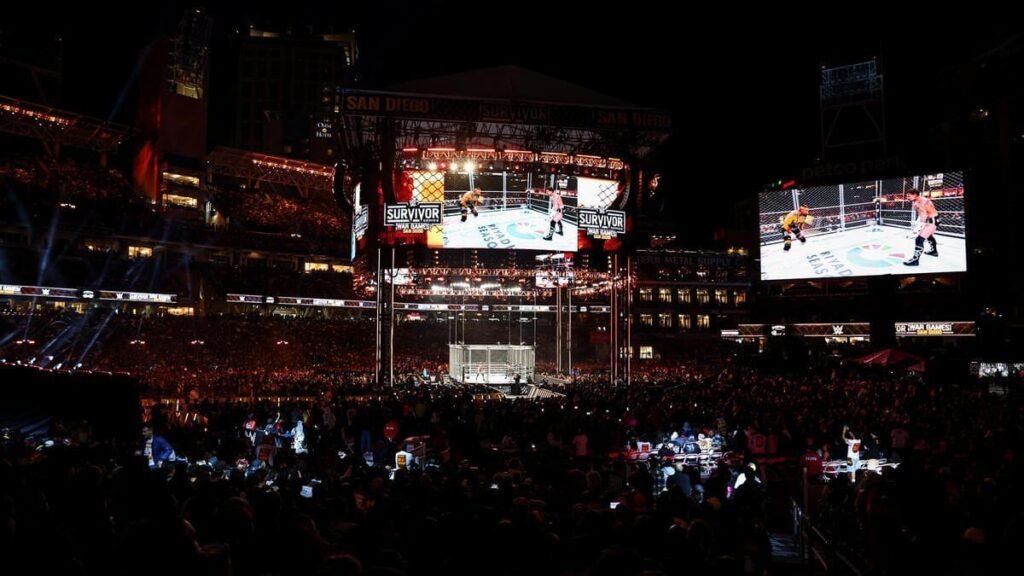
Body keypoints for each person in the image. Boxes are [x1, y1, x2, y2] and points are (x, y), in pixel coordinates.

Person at [903, 188, 939, 265]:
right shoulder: (916, 201)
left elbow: (924, 215)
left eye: (909, 196)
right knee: (929, 236)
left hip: (931, 220)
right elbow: (921, 214)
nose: (907, 198)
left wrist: (918, 227)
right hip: (932, 219)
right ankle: (934, 251)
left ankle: (915, 260)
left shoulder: (922, 202)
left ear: (915, 195)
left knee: (919, 239)